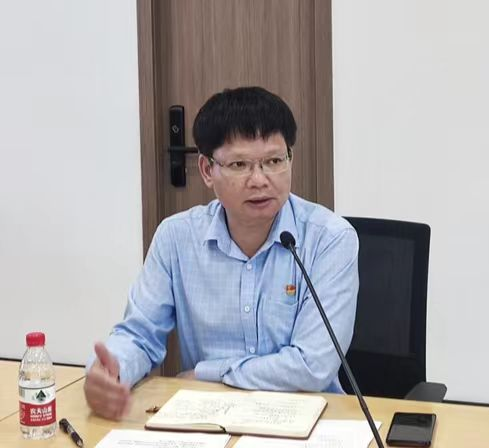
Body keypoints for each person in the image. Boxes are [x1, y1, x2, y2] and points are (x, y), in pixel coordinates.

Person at [84, 86, 359, 420]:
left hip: (310, 420)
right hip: (207, 419)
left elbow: (312, 365)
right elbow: (139, 336)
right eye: (240, 164)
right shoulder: (176, 238)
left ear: (291, 159)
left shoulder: (330, 239)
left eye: (274, 161)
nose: (259, 180)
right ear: (206, 170)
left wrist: (207, 372)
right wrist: (110, 374)